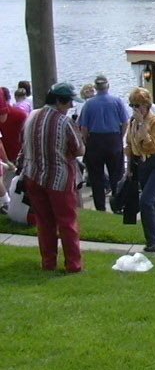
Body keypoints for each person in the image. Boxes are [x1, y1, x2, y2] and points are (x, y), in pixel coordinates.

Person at [16, 82, 85, 272]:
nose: (71, 106)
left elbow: (22, 141)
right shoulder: (65, 122)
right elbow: (79, 149)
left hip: (33, 175)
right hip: (59, 178)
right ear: (59, 101)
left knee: (44, 223)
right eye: (69, 102)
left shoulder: (31, 116)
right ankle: (73, 264)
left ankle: (48, 262)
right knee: (67, 222)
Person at [125, 87, 155, 253]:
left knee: (146, 201)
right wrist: (129, 167)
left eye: (138, 105)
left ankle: (153, 241)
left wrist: (143, 124)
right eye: (132, 105)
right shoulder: (132, 122)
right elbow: (129, 145)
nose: (135, 109)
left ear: (146, 105)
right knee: (153, 205)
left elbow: (151, 146)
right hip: (141, 165)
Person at [76, 74, 129, 212]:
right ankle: (118, 205)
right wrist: (119, 137)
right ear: (108, 86)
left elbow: (84, 128)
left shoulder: (88, 104)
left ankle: (100, 208)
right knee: (116, 175)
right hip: (113, 139)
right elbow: (125, 122)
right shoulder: (117, 101)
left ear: (96, 87)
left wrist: (87, 140)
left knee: (96, 177)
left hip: (95, 141)